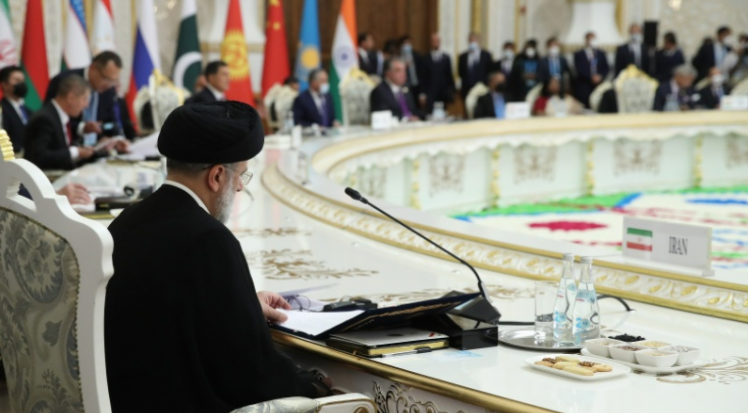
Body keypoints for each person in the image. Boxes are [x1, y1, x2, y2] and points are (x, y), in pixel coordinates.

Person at [104, 101, 332, 413]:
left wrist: (242, 303)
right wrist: (313, 384)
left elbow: (169, 307)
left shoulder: (125, 222)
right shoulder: (209, 239)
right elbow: (250, 376)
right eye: (241, 175)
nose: (240, 187)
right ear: (216, 177)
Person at [25, 75, 127, 170]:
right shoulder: (44, 119)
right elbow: (39, 158)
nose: (86, 105)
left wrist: (98, 149)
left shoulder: (58, 115)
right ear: (71, 98)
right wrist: (76, 152)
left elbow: (62, 151)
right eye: (84, 99)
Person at [44, 51, 123, 144]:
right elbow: (51, 119)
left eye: (113, 81)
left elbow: (111, 121)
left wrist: (117, 140)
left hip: (97, 152)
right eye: (106, 79)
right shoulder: (64, 81)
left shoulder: (109, 89)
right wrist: (82, 128)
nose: (109, 85)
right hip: (68, 149)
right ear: (93, 68)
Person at [420, 32, 455, 115]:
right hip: (430, 94)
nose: (435, 43)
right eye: (433, 41)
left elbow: (449, 76)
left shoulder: (446, 58)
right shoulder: (425, 58)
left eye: (437, 40)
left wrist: (451, 91)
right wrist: (422, 94)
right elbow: (422, 77)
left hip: (443, 93)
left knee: (443, 114)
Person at [573, 32, 610, 108]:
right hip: (585, 84)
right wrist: (591, 77)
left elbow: (606, 67)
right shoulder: (579, 54)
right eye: (590, 39)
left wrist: (600, 76)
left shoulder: (601, 53)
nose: (592, 41)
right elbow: (579, 69)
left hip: (599, 84)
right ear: (586, 40)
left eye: (594, 39)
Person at [0, 65, 31, 153]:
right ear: (4, 84)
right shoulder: (2, 110)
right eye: (17, 80)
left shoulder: (30, 112)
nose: (21, 84)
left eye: (23, 81)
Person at [458, 32, 492, 102]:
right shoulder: (463, 57)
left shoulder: (486, 55)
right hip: (467, 90)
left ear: (478, 41)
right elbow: (461, 73)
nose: (473, 42)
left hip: (482, 90)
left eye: (475, 40)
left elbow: (489, 71)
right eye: (471, 40)